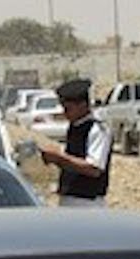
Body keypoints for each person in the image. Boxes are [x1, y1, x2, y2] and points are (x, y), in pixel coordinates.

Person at [40, 78, 113, 207]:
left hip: (87, 202)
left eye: (68, 109)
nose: (65, 113)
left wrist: (60, 158)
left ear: (83, 105)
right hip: (69, 199)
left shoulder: (97, 129)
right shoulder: (75, 127)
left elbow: (94, 168)